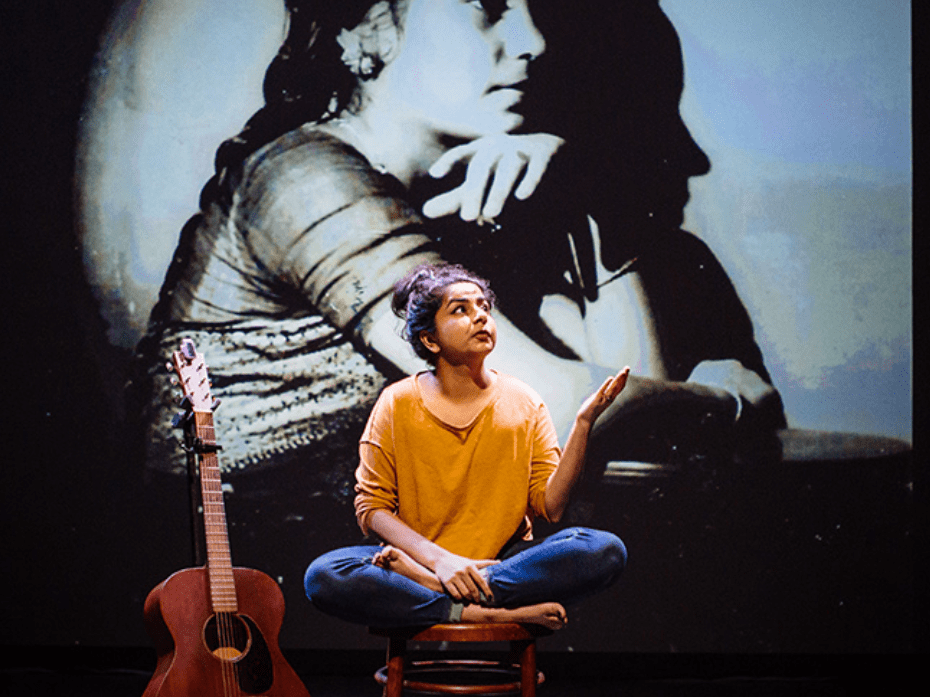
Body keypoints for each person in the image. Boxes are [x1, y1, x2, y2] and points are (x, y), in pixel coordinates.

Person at [129, 0, 782, 523]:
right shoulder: (305, 181)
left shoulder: (459, 206)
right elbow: (547, 413)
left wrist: (585, 205)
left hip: (353, 559)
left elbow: (632, 445)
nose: (533, 42)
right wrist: (731, 404)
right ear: (368, 28)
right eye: (488, 7)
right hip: (237, 574)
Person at [304, 264, 628, 629]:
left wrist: (584, 424)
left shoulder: (525, 401)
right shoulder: (397, 402)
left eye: (484, 307)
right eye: (461, 309)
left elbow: (550, 508)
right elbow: (371, 509)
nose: (480, 316)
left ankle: (445, 595)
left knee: (603, 550)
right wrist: (440, 562)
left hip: (501, 563)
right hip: (421, 560)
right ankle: (478, 611)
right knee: (325, 575)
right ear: (430, 340)